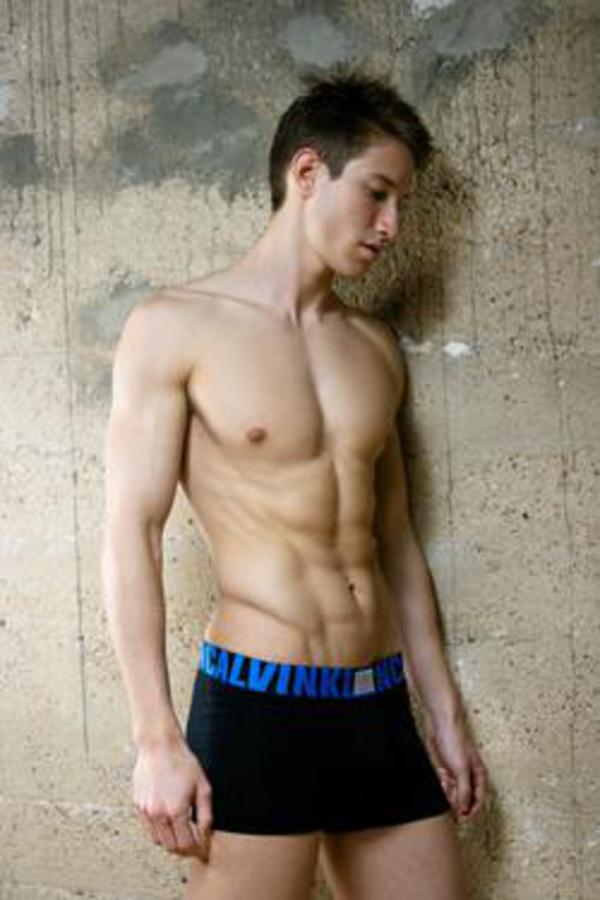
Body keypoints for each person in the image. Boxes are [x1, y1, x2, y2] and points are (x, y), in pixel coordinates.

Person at [101, 69, 488, 899]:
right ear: (307, 172)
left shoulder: (373, 348)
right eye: (377, 194)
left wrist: (445, 716)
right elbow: (132, 532)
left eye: (402, 204)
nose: (391, 227)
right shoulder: (174, 327)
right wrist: (155, 739)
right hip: (258, 707)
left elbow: (395, 545)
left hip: (377, 707)